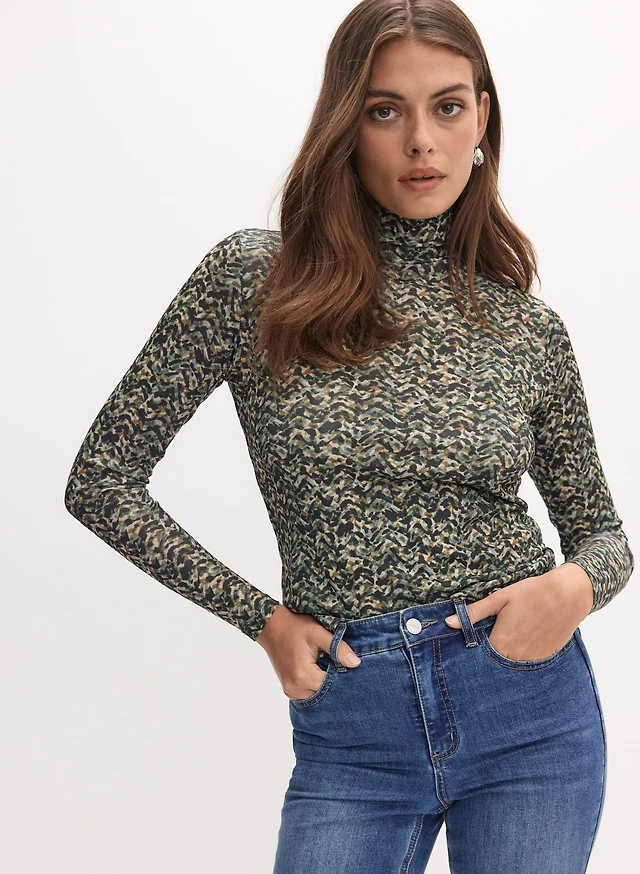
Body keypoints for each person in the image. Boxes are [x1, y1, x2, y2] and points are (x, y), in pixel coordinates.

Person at [64, 0, 634, 871]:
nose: (421, 141)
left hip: (530, 713)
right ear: (345, 124)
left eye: (448, 107)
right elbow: (101, 479)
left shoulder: (525, 328)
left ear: (482, 119)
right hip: (354, 730)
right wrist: (260, 619)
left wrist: (572, 588)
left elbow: (604, 534)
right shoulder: (256, 281)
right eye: (385, 109)